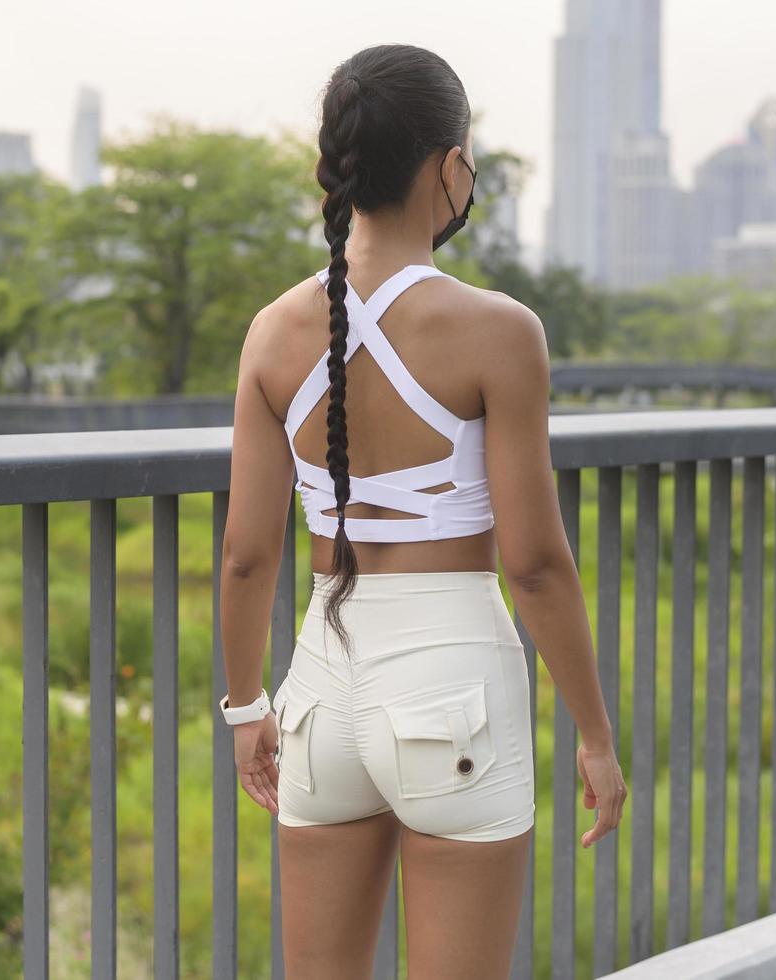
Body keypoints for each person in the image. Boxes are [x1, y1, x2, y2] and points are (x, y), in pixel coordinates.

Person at [218, 42, 627, 979]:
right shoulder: (496, 330)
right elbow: (533, 560)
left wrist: (247, 707)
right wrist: (594, 735)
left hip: (317, 681)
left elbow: (246, 554)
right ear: (451, 168)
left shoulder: (272, 331)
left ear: (336, 166)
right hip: (453, 683)